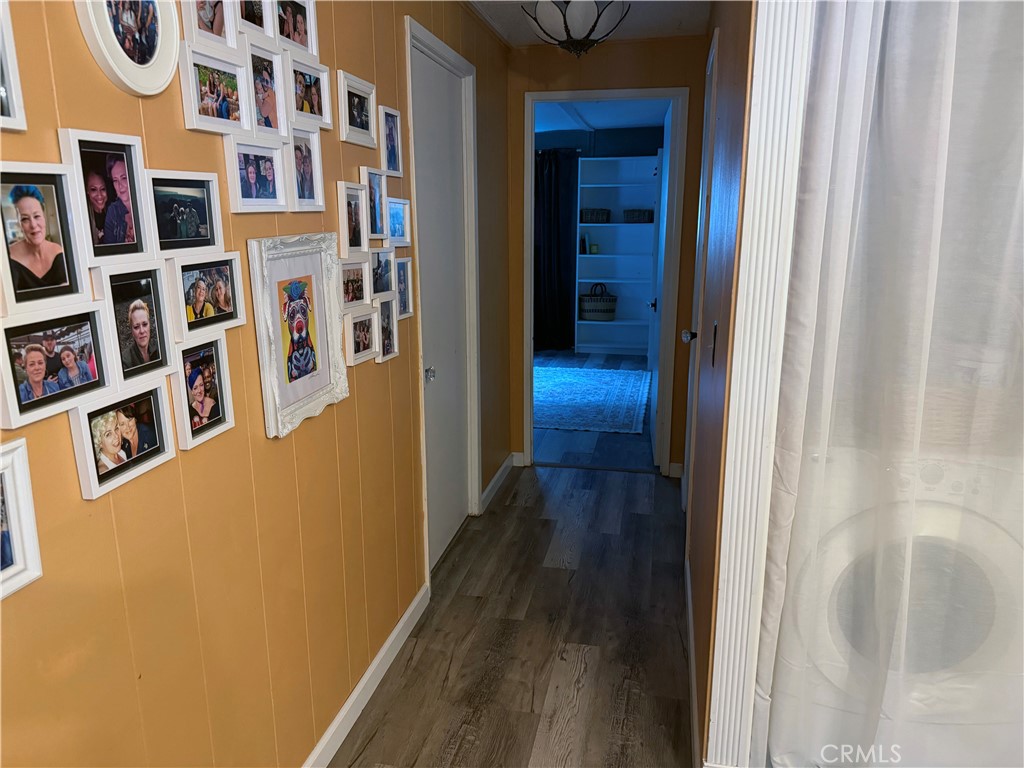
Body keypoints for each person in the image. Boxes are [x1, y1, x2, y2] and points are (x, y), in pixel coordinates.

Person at [6, 185, 68, 295]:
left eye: (37, 216)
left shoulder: (59, 253)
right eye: (25, 219)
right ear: (19, 224)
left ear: (44, 217)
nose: (33, 225)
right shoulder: (7, 257)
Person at [103, 154, 135, 245]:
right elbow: (109, 250)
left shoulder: (147, 204)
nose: (120, 186)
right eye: (115, 180)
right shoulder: (112, 211)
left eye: (124, 178)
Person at [124, 299, 159, 368]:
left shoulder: (159, 351)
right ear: (131, 330)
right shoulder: (125, 362)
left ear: (149, 325)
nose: (142, 331)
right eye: (136, 327)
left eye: (145, 324)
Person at [92, 410, 127, 475]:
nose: (116, 436)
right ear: (99, 442)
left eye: (116, 428)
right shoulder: (103, 470)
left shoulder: (122, 453)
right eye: (108, 434)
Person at [85, 169, 109, 245]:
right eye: (93, 189)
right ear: (87, 190)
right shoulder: (83, 217)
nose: (99, 195)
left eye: (102, 189)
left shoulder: (116, 212)